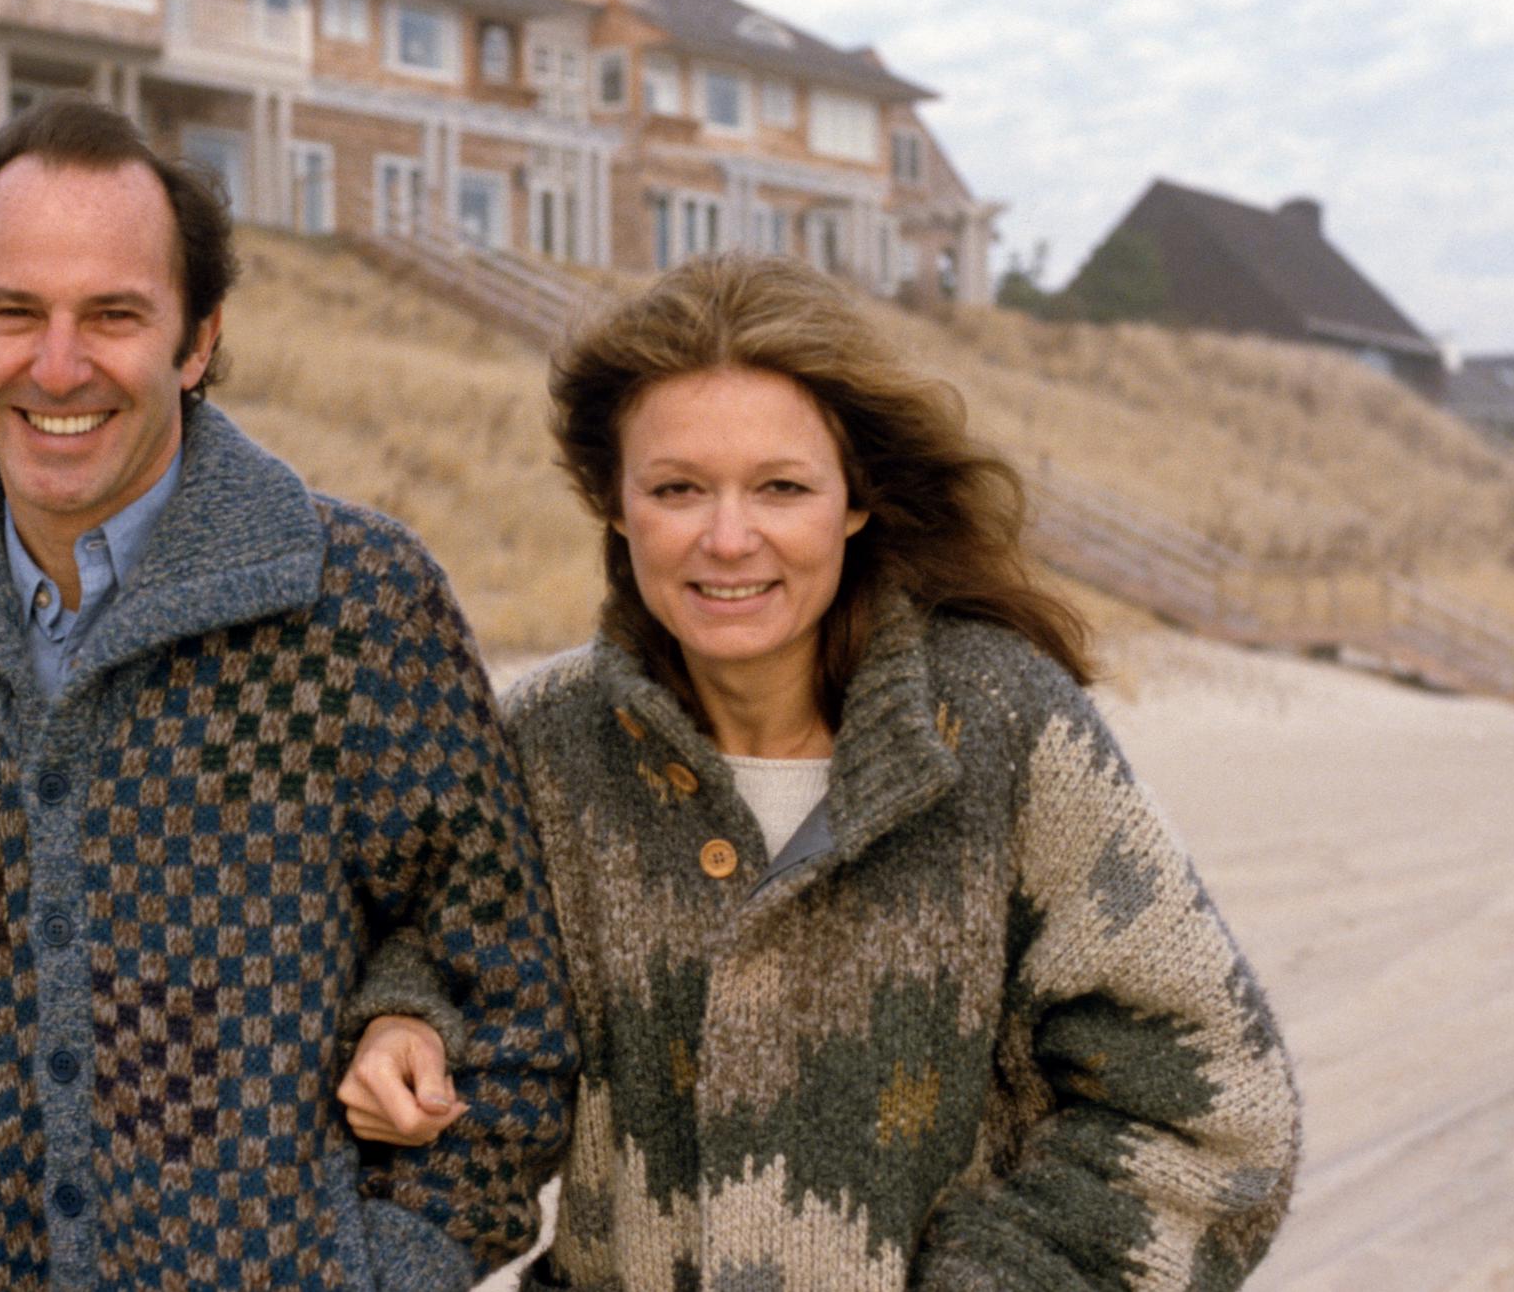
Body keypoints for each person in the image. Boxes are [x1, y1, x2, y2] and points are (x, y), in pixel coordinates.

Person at [339, 254, 1301, 1290]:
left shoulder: (1002, 728)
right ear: (613, 503)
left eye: (782, 487)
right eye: (677, 488)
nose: (727, 537)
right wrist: (405, 1020)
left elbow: (1220, 1115)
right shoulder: (543, 742)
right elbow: (457, 964)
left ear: (855, 499)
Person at [0, 96, 576, 1291]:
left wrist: (400, 1262)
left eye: (115, 316)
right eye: (15, 313)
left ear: (196, 339)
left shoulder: (358, 603)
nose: (60, 364)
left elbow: (508, 979)